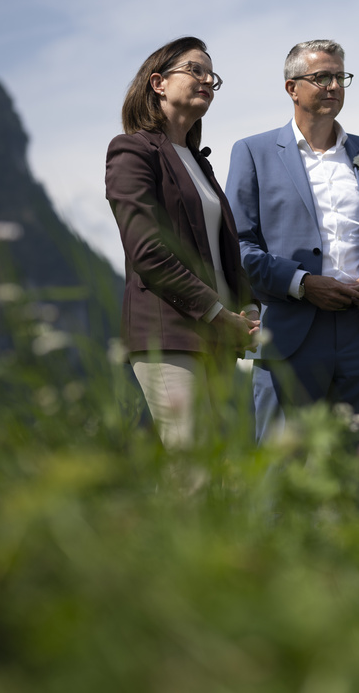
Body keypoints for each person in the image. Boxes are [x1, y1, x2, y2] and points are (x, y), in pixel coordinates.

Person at [226, 40, 359, 505]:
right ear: (291, 87)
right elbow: (239, 246)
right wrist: (303, 284)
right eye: (321, 77)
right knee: (280, 478)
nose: (332, 86)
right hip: (289, 330)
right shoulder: (253, 152)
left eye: (339, 77)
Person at [105, 36, 258, 448]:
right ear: (158, 83)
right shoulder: (132, 151)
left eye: (212, 75)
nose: (207, 79)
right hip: (168, 331)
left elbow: (223, 251)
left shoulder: (199, 163)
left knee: (218, 475)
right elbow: (147, 251)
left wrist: (248, 306)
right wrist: (214, 311)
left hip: (219, 335)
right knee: (191, 467)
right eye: (195, 70)